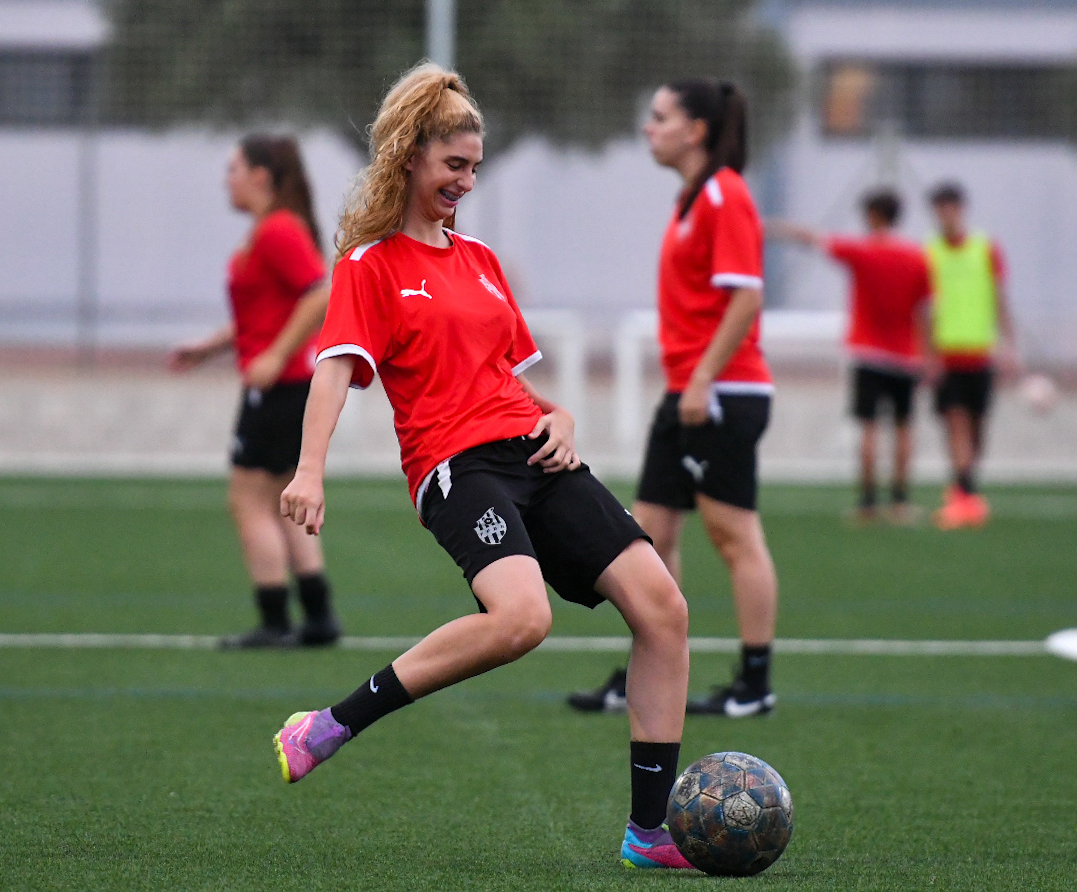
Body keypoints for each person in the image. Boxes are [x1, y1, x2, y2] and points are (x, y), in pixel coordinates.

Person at [273, 63, 695, 871]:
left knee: (663, 611)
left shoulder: (482, 261)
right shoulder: (371, 265)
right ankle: (327, 724)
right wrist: (308, 471)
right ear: (408, 158)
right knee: (521, 619)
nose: (465, 181)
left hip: (534, 450)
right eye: (452, 166)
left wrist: (560, 415)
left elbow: (508, 376)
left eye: (474, 167)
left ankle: (649, 833)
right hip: (457, 469)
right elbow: (333, 369)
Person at [568, 79, 779, 719]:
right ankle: (649, 671)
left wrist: (704, 378)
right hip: (687, 392)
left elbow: (747, 297)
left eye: (659, 117)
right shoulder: (692, 197)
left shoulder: (725, 194)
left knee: (733, 535)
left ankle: (754, 684)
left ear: (697, 131)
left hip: (719, 393)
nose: (648, 127)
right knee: (648, 537)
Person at [169, 135, 341, 648]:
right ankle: (318, 616)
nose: (228, 179)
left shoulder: (278, 231)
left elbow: (321, 293)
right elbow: (262, 316)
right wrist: (210, 348)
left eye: (234, 169)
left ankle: (273, 621)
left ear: (261, 176)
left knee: (248, 500)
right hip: (287, 386)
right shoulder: (269, 231)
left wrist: (275, 355)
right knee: (283, 498)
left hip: (282, 388)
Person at [768, 189, 932, 523]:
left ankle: (868, 503)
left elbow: (813, 239)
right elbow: (925, 311)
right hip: (906, 355)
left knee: (868, 427)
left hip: (868, 352)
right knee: (903, 428)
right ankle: (900, 502)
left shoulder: (862, 251)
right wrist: (929, 355)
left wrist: (772, 227)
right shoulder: (917, 257)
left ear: (872, 215)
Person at [925, 182, 1018, 529]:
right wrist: (925, 354)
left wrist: (1009, 344)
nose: (946, 215)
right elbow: (922, 308)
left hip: (980, 353)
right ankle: (966, 495)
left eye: (951, 208)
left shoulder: (985, 249)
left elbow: (1001, 299)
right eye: (940, 209)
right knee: (955, 422)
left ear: (961, 210)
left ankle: (963, 485)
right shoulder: (928, 252)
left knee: (978, 428)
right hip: (945, 354)